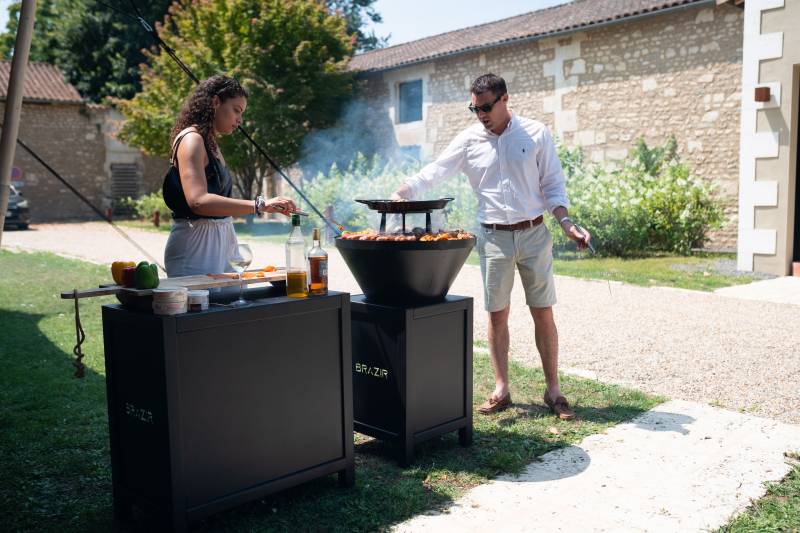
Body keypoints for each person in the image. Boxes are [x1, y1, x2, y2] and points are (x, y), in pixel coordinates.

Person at [391, 74, 590, 419]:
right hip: (494, 236)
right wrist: (404, 191)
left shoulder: (535, 134)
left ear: (504, 100)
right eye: (475, 108)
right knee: (497, 313)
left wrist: (567, 224)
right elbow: (436, 170)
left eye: (486, 107)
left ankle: (553, 391)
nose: (480, 114)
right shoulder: (469, 140)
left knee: (542, 310)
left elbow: (553, 186)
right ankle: (502, 389)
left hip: (534, 232)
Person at [163, 75, 297, 277]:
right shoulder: (192, 140)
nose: (240, 120)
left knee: (230, 305)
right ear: (216, 102)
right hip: (195, 246)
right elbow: (198, 201)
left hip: (222, 241)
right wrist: (259, 205)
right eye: (236, 110)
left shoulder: (210, 142)